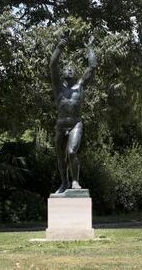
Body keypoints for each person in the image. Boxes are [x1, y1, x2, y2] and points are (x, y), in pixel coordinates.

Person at [50, 35, 97, 194]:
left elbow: (92, 67)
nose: (69, 70)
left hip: (75, 124)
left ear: (75, 74)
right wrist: (59, 47)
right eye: (67, 69)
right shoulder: (58, 87)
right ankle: (64, 182)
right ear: (62, 74)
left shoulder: (80, 86)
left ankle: (75, 181)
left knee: (71, 152)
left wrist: (90, 48)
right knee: (60, 157)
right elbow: (52, 64)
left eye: (72, 69)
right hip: (60, 125)